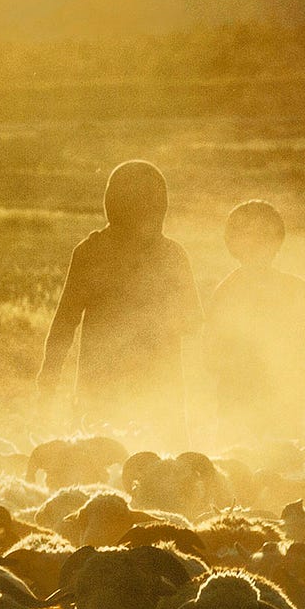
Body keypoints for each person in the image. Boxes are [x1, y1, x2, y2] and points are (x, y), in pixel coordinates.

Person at [37, 160, 200, 437]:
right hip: (161, 395)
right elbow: (193, 323)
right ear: (160, 206)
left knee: (98, 469)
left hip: (99, 390)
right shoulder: (172, 254)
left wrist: (48, 378)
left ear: (111, 202)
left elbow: (64, 323)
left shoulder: (91, 251)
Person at [201, 199, 305, 445]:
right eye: (249, 237)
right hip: (243, 402)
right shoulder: (230, 292)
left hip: (281, 400)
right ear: (233, 244)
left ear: (277, 243)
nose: (257, 245)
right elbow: (211, 353)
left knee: (278, 465)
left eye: (263, 237)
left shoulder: (291, 289)